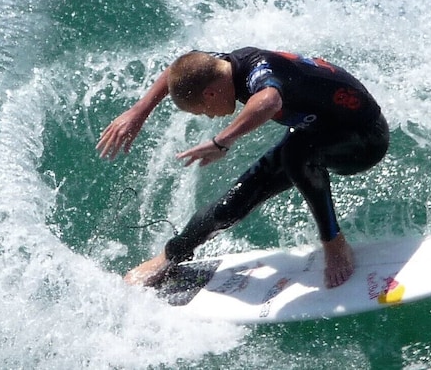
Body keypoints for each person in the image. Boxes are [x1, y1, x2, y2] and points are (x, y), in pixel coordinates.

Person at [97, 47, 389, 289]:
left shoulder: (258, 73)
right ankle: (170, 256)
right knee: (232, 203)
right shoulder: (219, 67)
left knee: (297, 154)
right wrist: (138, 112)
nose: (210, 116)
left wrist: (222, 141)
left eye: (203, 109)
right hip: (317, 131)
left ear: (211, 94)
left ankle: (334, 243)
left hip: (365, 139)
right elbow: (181, 69)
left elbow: (271, 101)